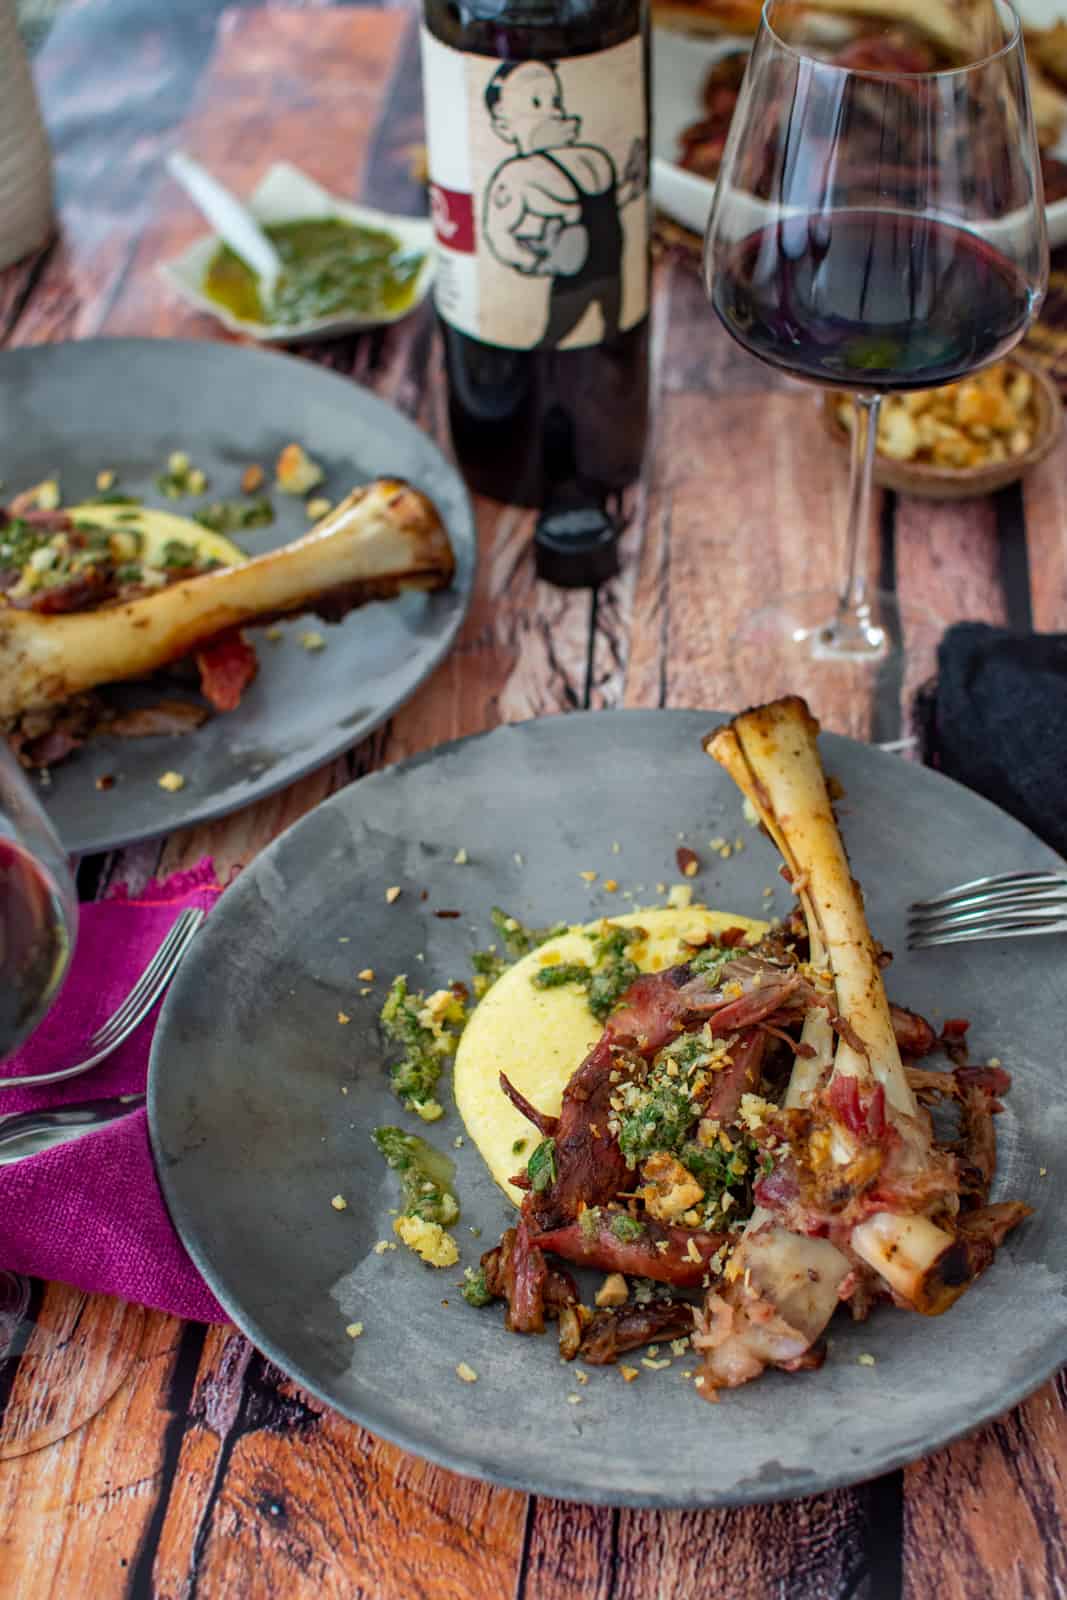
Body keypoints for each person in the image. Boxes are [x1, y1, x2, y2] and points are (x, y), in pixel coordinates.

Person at [482, 60, 646, 348]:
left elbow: (610, 205)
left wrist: (634, 183)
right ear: (504, 126)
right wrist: (536, 263)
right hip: (573, 285)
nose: (555, 112)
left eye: (555, 101)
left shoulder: (594, 158)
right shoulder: (518, 175)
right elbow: (497, 232)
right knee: (551, 342)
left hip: (613, 273)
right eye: (536, 104)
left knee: (615, 340)